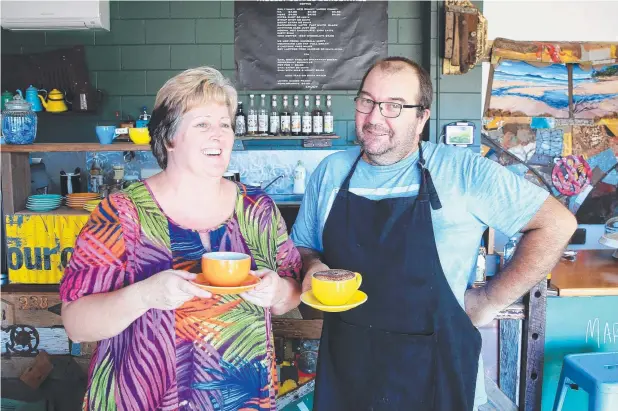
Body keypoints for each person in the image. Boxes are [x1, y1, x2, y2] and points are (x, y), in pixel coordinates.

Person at [291, 57, 577, 411]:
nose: (375, 117)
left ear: (421, 117)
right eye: (367, 101)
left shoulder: (463, 171)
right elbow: (303, 246)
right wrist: (312, 266)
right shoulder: (331, 171)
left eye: (394, 106)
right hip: (348, 370)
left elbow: (556, 223)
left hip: (436, 375)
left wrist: (489, 300)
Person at [60, 67, 302, 411]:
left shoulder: (256, 208)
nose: (219, 135)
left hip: (240, 398)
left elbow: (291, 292)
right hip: (143, 398)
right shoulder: (122, 214)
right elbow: (76, 325)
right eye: (203, 124)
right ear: (169, 137)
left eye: (225, 124)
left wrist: (278, 291)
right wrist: (145, 294)